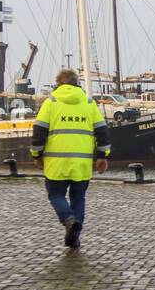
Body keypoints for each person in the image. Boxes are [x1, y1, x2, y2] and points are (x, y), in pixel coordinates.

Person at [30, 69, 111, 249]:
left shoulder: (51, 102)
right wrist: (102, 156)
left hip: (56, 162)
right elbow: (103, 132)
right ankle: (75, 235)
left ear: (58, 84)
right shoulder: (89, 103)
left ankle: (68, 220)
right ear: (77, 84)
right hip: (81, 163)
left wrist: (36, 155)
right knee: (78, 197)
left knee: (56, 194)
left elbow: (39, 132)